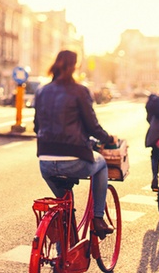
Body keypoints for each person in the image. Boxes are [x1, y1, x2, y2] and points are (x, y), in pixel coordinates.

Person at [34, 50, 118, 236]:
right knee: (101, 164)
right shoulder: (79, 91)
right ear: (75, 67)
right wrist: (109, 138)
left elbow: (36, 126)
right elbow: (92, 127)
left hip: (46, 162)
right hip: (74, 160)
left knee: (63, 204)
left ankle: (63, 239)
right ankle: (98, 218)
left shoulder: (42, 91)